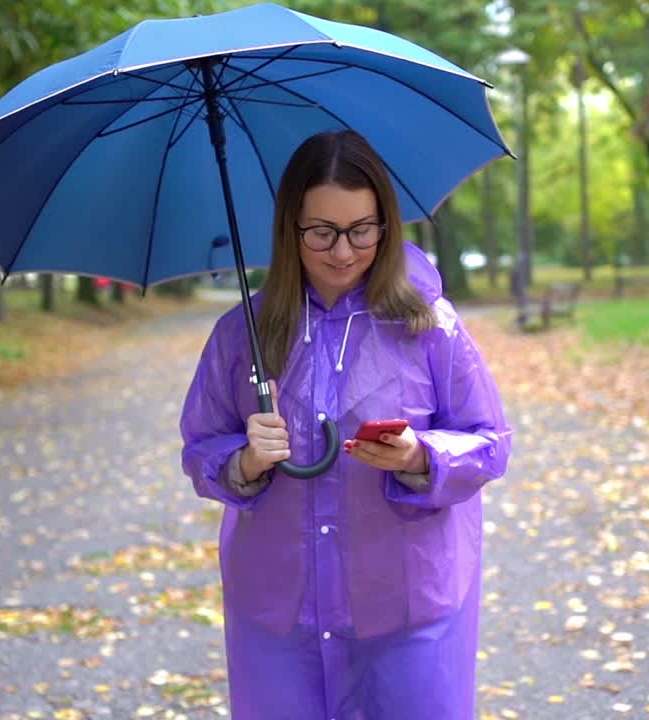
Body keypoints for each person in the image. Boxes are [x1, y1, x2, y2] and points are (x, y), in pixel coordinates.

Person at [180, 129, 511, 719]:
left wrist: (421, 457)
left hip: (406, 610)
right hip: (280, 617)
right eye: (321, 232)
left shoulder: (430, 326)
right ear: (290, 229)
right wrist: (243, 462)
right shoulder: (243, 335)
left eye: (362, 229)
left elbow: (489, 443)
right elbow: (201, 445)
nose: (342, 252)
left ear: (386, 223)